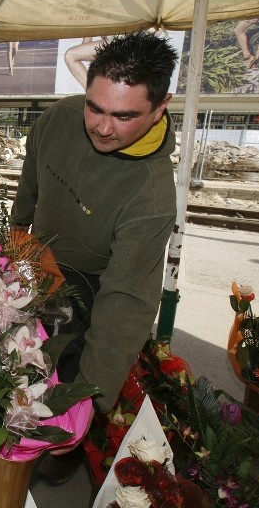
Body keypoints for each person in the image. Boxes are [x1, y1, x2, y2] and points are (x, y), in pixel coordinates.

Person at [11, 32, 179, 485]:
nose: (103, 127)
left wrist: (86, 399)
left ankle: (65, 454)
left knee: (65, 373)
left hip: (92, 291)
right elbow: (32, 175)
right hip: (35, 260)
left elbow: (125, 302)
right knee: (14, 364)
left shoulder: (151, 194)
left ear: (160, 106)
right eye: (96, 107)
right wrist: (15, 232)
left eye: (124, 116)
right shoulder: (61, 117)